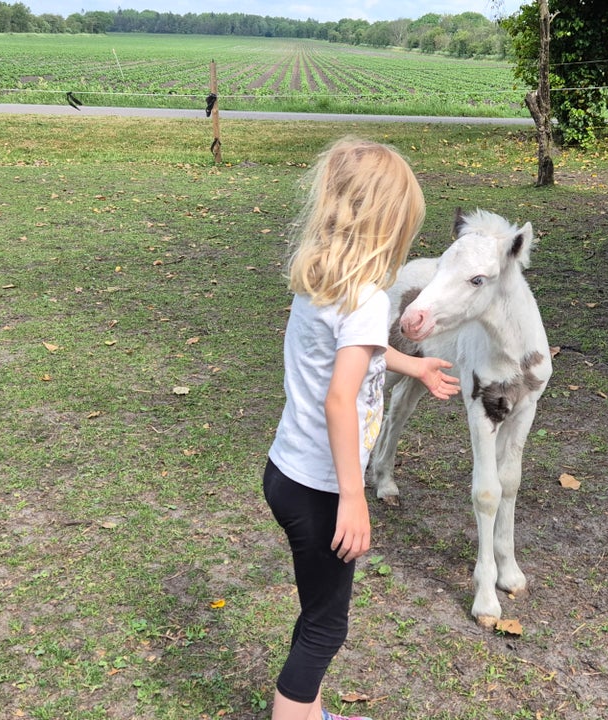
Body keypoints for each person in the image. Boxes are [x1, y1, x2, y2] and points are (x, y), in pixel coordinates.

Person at [262, 137, 460, 720]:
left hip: (287, 473)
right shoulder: (368, 299)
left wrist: (414, 364)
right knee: (326, 627)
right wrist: (354, 497)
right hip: (323, 490)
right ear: (385, 225)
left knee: (316, 610)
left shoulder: (322, 282)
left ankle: (312, 713)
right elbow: (340, 397)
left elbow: (357, 356)